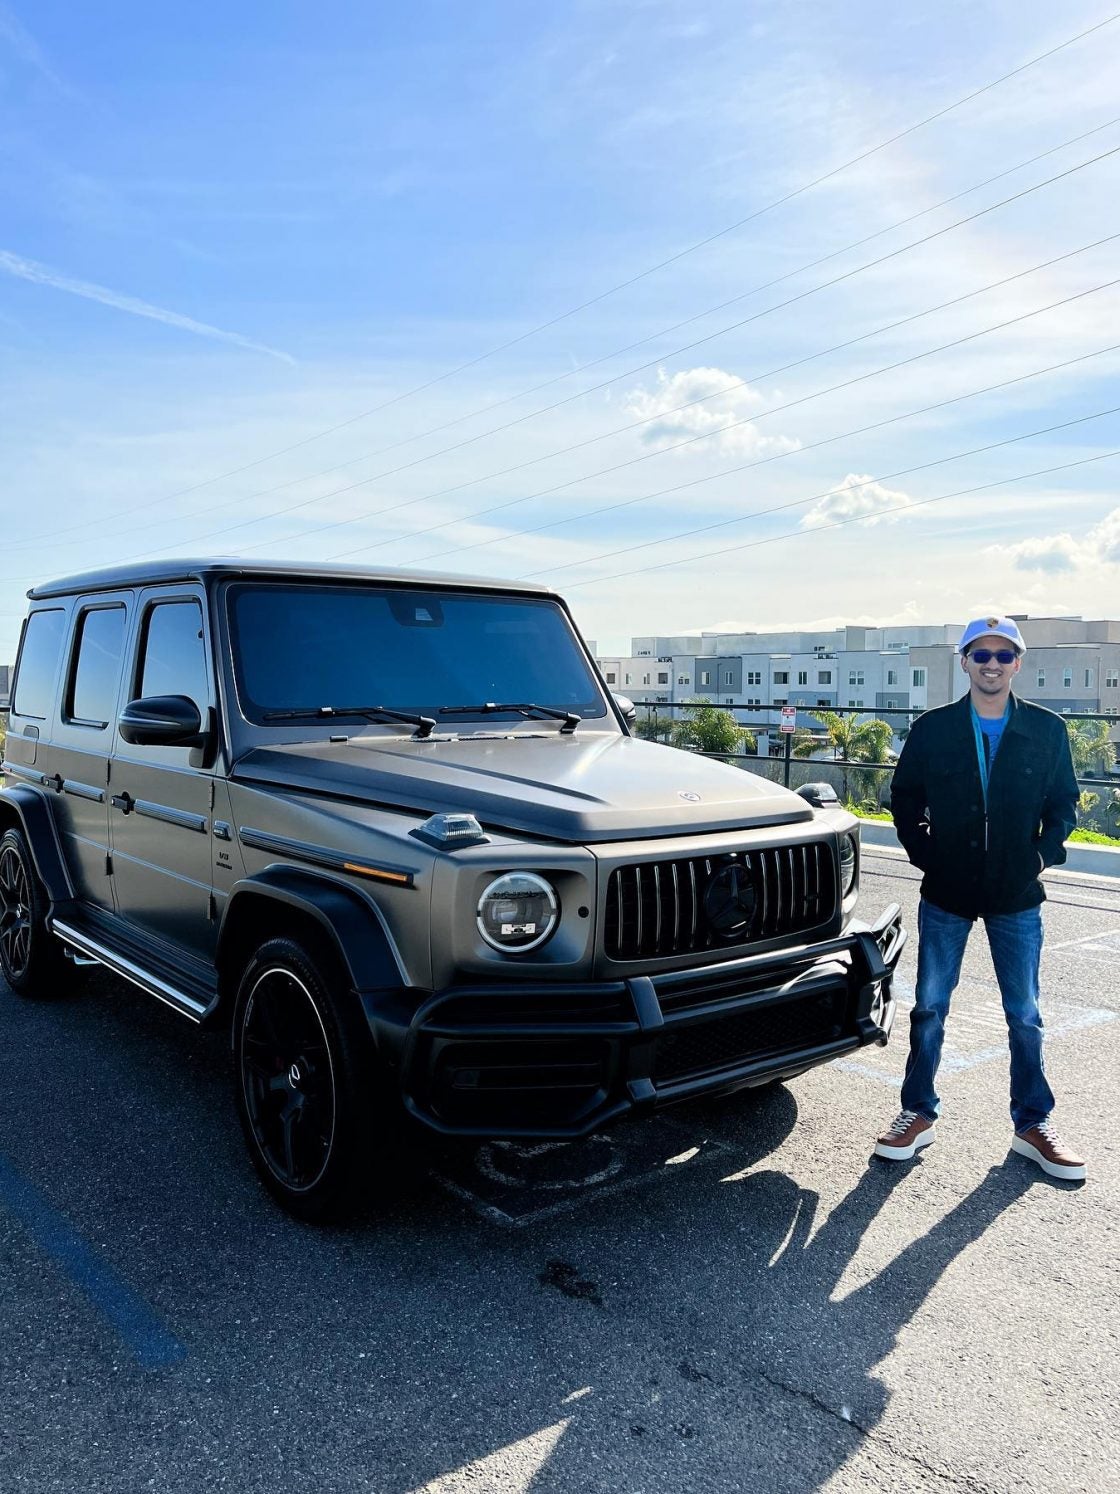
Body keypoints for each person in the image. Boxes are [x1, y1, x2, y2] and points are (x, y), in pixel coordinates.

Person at [875, 616, 1084, 1180]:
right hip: (947, 889)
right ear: (964, 661)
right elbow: (905, 798)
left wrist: (1040, 857)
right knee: (930, 1007)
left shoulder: (1047, 729)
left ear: (1018, 663)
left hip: (1017, 892)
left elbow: (1064, 803)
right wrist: (928, 856)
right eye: (982, 654)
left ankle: (1033, 1124)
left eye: (1003, 655)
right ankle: (917, 1112)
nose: (992, 664)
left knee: (1025, 1013)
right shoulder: (933, 728)